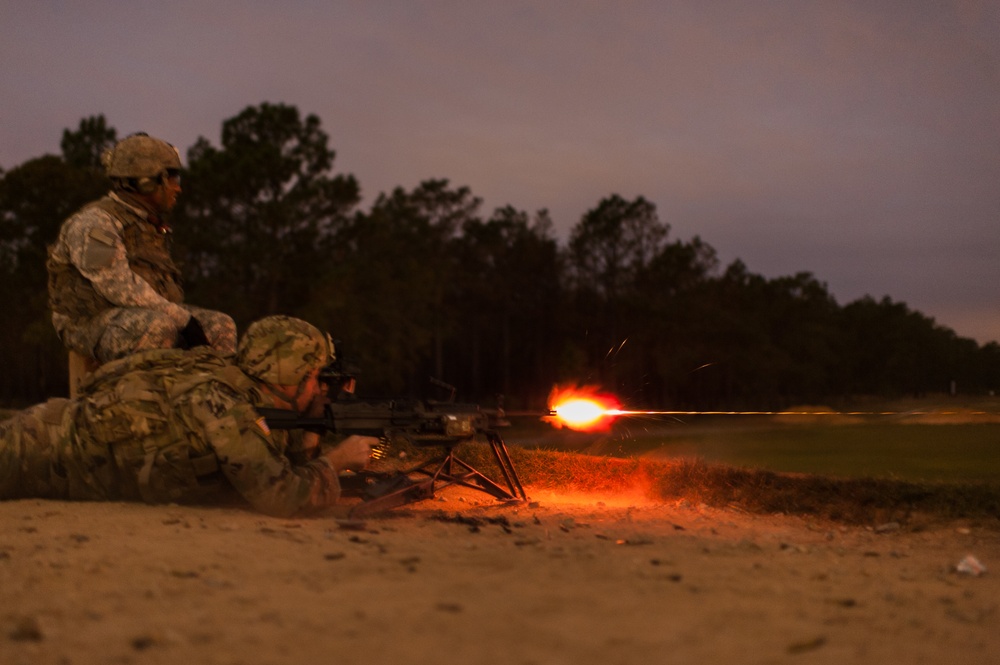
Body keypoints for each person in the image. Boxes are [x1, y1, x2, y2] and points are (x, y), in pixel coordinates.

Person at [0, 316, 376, 517]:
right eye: (315, 377)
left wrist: (313, 429)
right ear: (288, 375)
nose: (322, 388)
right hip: (36, 451)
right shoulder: (228, 409)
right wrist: (337, 460)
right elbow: (282, 496)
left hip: (49, 435)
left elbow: (279, 464)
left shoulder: (241, 382)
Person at [46, 132, 236, 366]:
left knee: (220, 325)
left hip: (140, 315)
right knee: (158, 327)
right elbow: (118, 287)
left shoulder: (148, 223)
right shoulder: (95, 223)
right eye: (173, 179)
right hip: (86, 323)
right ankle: (142, 400)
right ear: (147, 183)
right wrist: (184, 321)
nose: (178, 189)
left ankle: (209, 395)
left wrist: (185, 321)